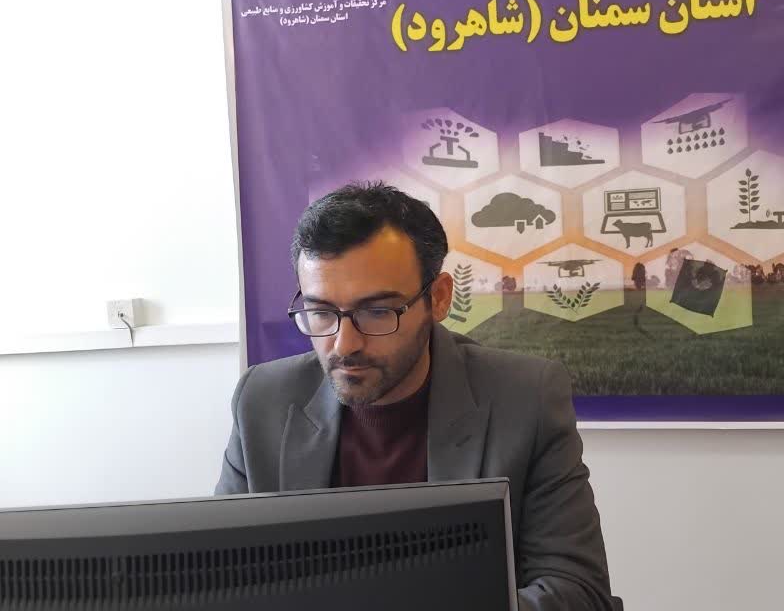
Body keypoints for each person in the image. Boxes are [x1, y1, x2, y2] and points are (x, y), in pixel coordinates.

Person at [215, 181, 615, 611]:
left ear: (438, 298)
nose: (344, 344)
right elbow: (220, 576)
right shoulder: (263, 401)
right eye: (321, 312)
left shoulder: (524, 397)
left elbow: (578, 591)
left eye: (377, 311)